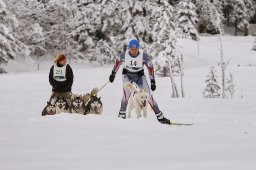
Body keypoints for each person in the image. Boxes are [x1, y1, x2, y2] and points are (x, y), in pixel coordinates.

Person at [108, 39, 172, 124]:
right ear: (129, 49)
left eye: (136, 49)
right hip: (127, 75)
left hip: (139, 77)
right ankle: (121, 115)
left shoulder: (144, 56)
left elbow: (151, 68)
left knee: (148, 95)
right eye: (132, 49)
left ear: (138, 48)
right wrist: (113, 74)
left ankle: (160, 116)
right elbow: (117, 63)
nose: (134, 51)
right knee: (126, 94)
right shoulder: (123, 55)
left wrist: (152, 81)